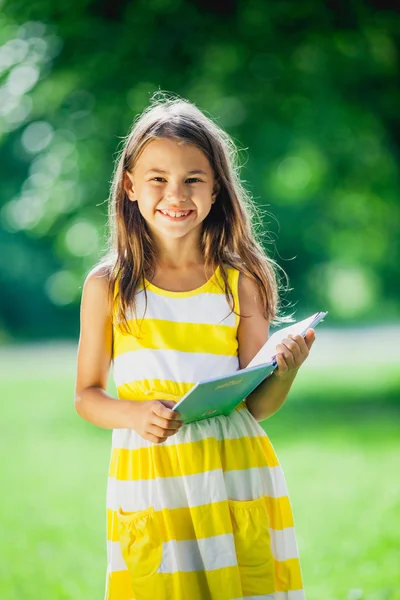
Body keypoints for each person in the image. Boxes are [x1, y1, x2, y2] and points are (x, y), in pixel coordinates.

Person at [74, 92, 315, 600]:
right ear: (131, 186)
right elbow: (87, 395)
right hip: (154, 479)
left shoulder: (240, 280)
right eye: (158, 179)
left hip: (235, 473)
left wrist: (285, 372)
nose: (175, 195)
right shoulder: (108, 286)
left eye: (193, 180)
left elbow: (257, 405)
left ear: (216, 190)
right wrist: (135, 414)